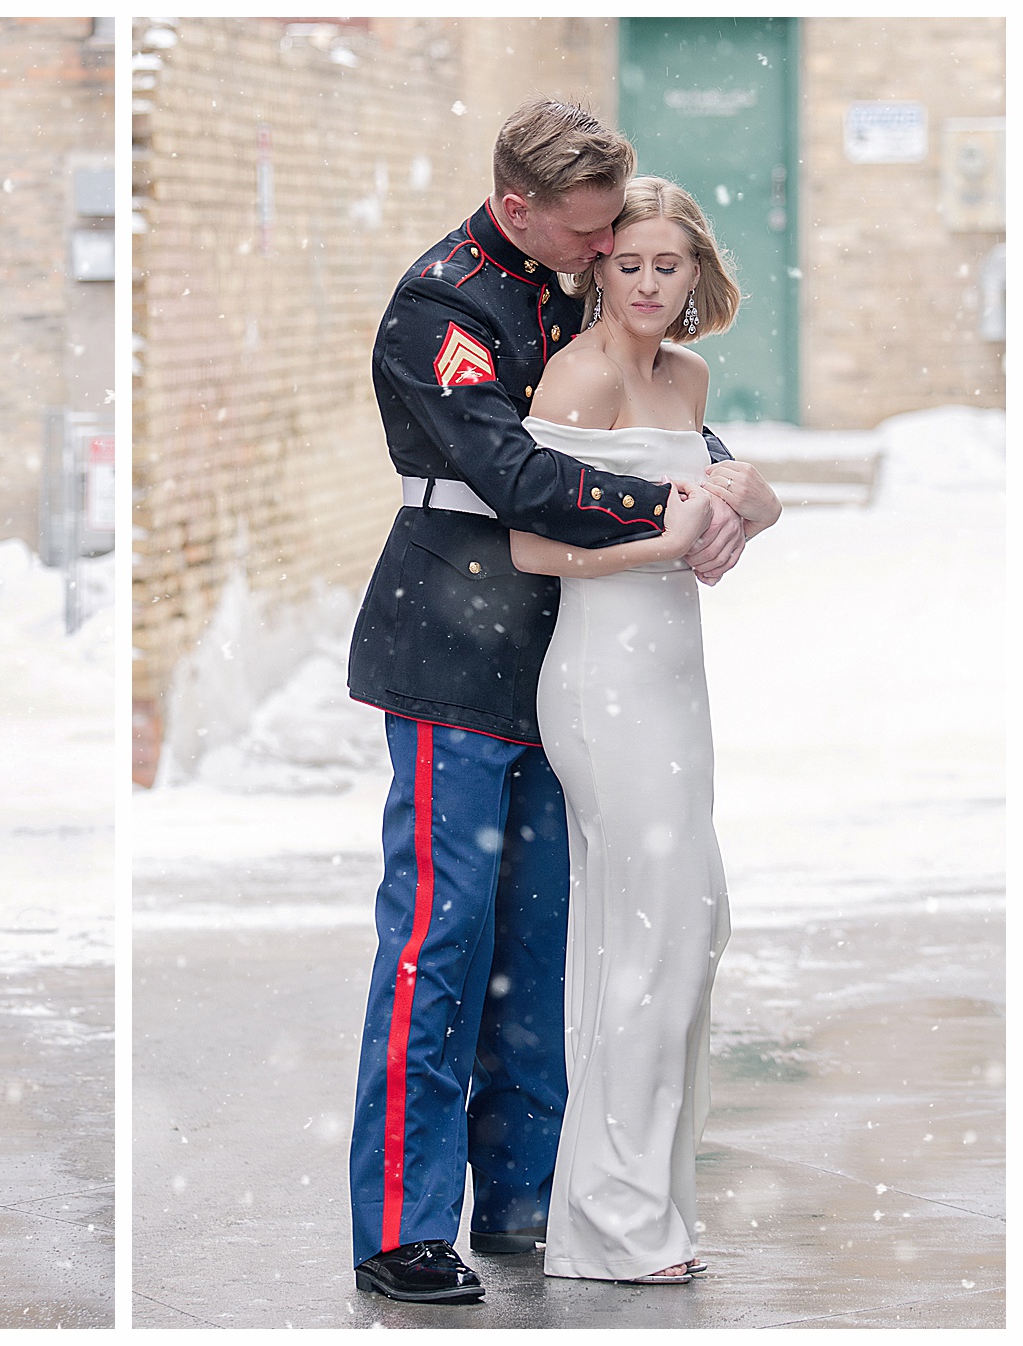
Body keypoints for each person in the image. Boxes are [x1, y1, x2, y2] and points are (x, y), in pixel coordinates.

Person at [344, 99, 774, 1304]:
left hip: (574, 643)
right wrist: (669, 520)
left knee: (542, 942)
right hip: (455, 648)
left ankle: (530, 1189)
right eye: (587, 236)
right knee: (441, 934)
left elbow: (647, 414)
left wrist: (725, 484)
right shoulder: (444, 307)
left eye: (613, 237)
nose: (605, 256)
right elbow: (513, 472)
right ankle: (402, 1221)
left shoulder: (568, 277)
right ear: (519, 206)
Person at [511, 176, 779, 1284]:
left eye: (669, 266)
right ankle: (609, 1227)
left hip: (677, 683)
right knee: (648, 936)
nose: (649, 285)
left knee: (690, 927)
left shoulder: (689, 375)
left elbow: (726, 504)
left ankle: (643, 1206)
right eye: (629, 265)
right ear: (598, 268)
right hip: (601, 677)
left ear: (694, 272)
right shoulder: (576, 373)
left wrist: (749, 504)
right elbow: (533, 547)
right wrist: (659, 549)